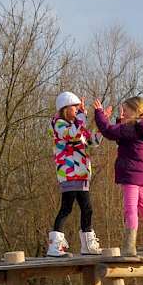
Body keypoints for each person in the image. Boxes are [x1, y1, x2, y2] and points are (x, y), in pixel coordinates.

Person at [94, 95, 143, 256]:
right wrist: (120, 121)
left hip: (131, 175)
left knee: (130, 209)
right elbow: (123, 138)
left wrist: (99, 114)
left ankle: (129, 246)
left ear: (135, 111)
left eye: (125, 110)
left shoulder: (130, 128)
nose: (122, 113)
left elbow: (108, 131)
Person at [47, 90, 103, 257]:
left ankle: (87, 244)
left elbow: (92, 141)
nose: (78, 110)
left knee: (87, 209)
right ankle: (54, 245)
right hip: (69, 173)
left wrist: (103, 124)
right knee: (66, 208)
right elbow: (73, 134)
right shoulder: (59, 125)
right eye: (75, 107)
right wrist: (81, 117)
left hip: (81, 173)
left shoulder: (77, 126)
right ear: (65, 109)